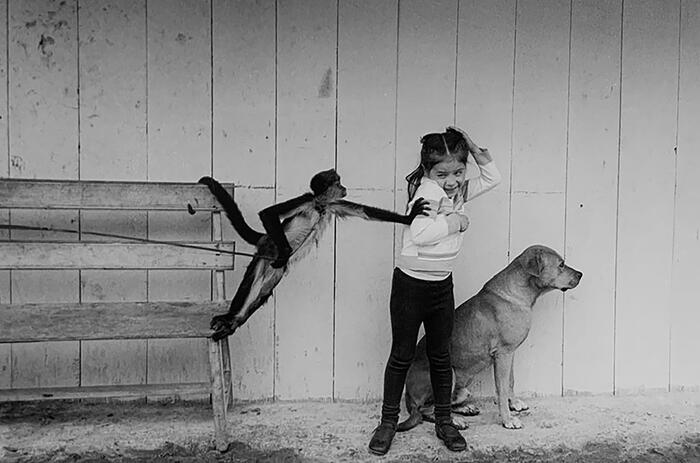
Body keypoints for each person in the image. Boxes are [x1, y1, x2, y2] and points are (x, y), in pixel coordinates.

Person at [368, 126, 502, 455]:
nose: (453, 179)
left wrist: (472, 146)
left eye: (459, 171)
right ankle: (387, 422)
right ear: (429, 171)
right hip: (411, 287)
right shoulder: (427, 192)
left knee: (441, 356)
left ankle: (444, 420)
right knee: (401, 354)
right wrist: (456, 223)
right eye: (444, 173)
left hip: (441, 287)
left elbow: (493, 177)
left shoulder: (454, 192)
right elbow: (422, 233)